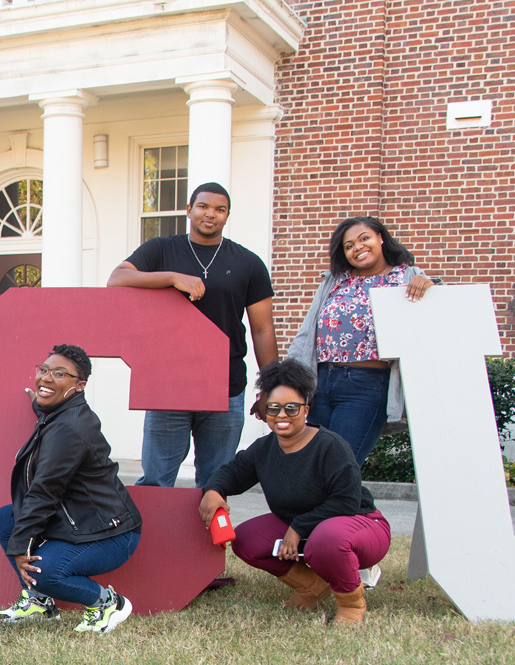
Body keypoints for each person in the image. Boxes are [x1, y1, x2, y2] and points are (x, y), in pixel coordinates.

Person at [107, 182, 278, 488]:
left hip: (224, 384)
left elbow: (263, 330)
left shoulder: (248, 263)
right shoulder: (161, 249)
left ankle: (206, 538)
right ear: (189, 210)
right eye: (203, 206)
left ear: (227, 216)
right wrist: (172, 277)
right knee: (157, 480)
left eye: (219, 209)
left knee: (216, 482)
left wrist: (272, 387)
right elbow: (117, 279)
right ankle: (155, 537)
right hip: (167, 382)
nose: (210, 214)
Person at [199, 360, 390, 625]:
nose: (281, 416)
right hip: (309, 528)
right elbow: (233, 472)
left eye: (291, 408)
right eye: (274, 408)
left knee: (326, 539)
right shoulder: (265, 449)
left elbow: (346, 502)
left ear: (306, 410)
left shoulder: (331, 447)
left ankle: (350, 603)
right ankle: (311, 586)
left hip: (359, 525)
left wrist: (299, 527)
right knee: (246, 540)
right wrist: (213, 489)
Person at [0, 345, 141, 634]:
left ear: (79, 385)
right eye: (44, 370)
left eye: (59, 374)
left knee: (46, 572)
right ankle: (39, 601)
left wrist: (21, 545)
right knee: (5, 519)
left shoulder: (69, 429)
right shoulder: (59, 412)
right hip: (76, 520)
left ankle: (107, 603)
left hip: (111, 534)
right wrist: (40, 400)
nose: (46, 379)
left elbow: (44, 490)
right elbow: (46, 404)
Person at [285, 216, 435, 466]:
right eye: (349, 245)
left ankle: (351, 506)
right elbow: (307, 331)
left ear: (380, 238)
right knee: (313, 463)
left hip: (366, 385)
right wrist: (288, 380)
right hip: (320, 383)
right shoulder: (335, 279)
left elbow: (438, 308)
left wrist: (429, 284)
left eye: (364, 238)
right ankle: (352, 506)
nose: (358, 248)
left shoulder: (406, 276)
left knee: (340, 464)